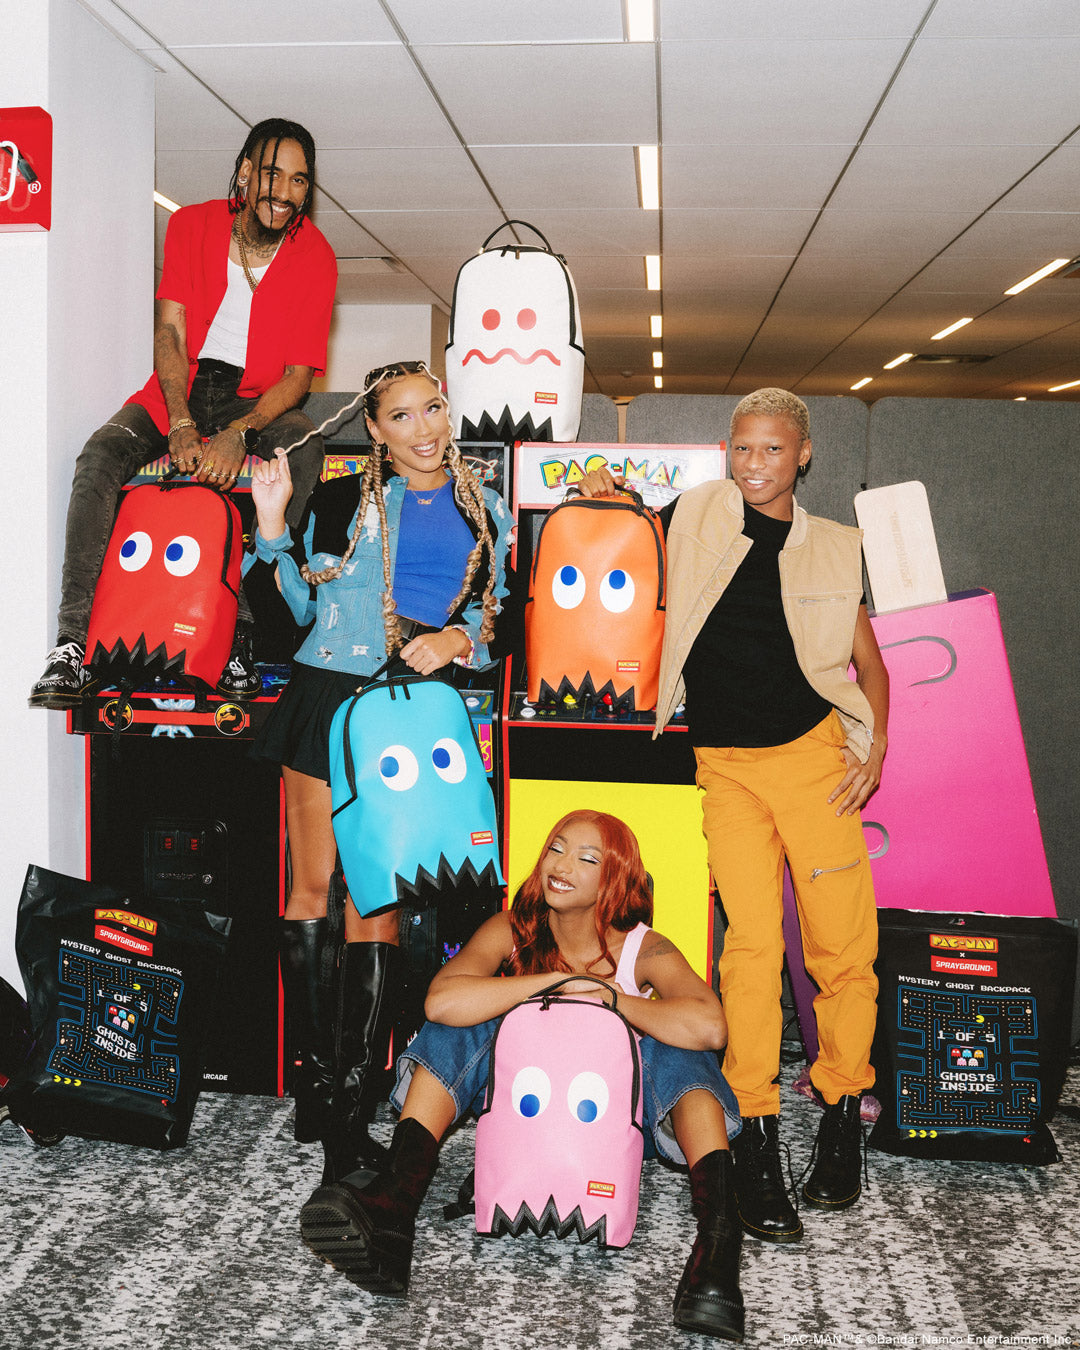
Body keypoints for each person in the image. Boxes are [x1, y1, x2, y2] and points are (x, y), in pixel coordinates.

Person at [579, 388, 889, 1244]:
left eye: (773, 450)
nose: (755, 464)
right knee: (749, 948)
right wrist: (603, 485)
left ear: (804, 454)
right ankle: (755, 1126)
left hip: (814, 761)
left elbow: (868, 662)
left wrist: (876, 746)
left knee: (840, 945)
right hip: (724, 765)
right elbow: (629, 513)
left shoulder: (835, 547)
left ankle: (840, 1108)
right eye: (743, 448)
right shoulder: (700, 513)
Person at [298, 809, 746, 1343]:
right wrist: (550, 983)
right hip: (521, 1108)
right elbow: (441, 1001)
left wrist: (612, 999)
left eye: (587, 859)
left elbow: (711, 1026)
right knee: (463, 1023)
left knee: (681, 1048)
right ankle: (395, 1205)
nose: (563, 865)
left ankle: (718, 1242)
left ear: (615, 880)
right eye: (556, 848)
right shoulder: (512, 928)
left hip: (611, 1125)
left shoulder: (643, 947)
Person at [246, 359, 513, 1185]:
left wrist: (457, 640)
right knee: (313, 890)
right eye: (402, 416)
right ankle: (316, 1088)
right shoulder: (339, 501)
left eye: (433, 408)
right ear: (374, 429)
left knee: (380, 900)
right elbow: (292, 612)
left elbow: (497, 616)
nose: (424, 428)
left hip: (410, 714)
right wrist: (271, 525)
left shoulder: (487, 509)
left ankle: (352, 1104)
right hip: (329, 696)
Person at [29, 117, 337, 709]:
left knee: (302, 449)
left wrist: (239, 433)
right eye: (272, 174)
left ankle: (243, 637)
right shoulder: (191, 224)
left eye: (299, 181)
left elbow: (298, 377)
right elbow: (170, 331)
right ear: (245, 173)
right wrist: (180, 421)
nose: (284, 192)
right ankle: (71, 645)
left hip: (257, 398)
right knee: (100, 454)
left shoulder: (317, 257)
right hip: (183, 385)